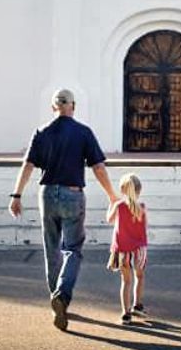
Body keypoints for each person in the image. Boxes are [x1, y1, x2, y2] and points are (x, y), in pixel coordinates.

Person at [9, 88, 117, 332]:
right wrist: (112, 195)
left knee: (51, 248)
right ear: (73, 106)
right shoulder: (83, 132)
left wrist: (16, 195)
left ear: (53, 107)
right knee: (73, 249)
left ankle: (55, 298)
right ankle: (62, 294)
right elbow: (98, 168)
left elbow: (28, 165)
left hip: (46, 193)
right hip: (72, 194)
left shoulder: (42, 132)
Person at [106, 172, 149, 325]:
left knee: (126, 281)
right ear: (139, 190)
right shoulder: (142, 207)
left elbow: (109, 219)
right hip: (139, 249)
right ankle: (137, 304)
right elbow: (145, 226)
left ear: (122, 190)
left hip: (123, 249)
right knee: (140, 276)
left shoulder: (119, 206)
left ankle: (126, 313)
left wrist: (112, 202)